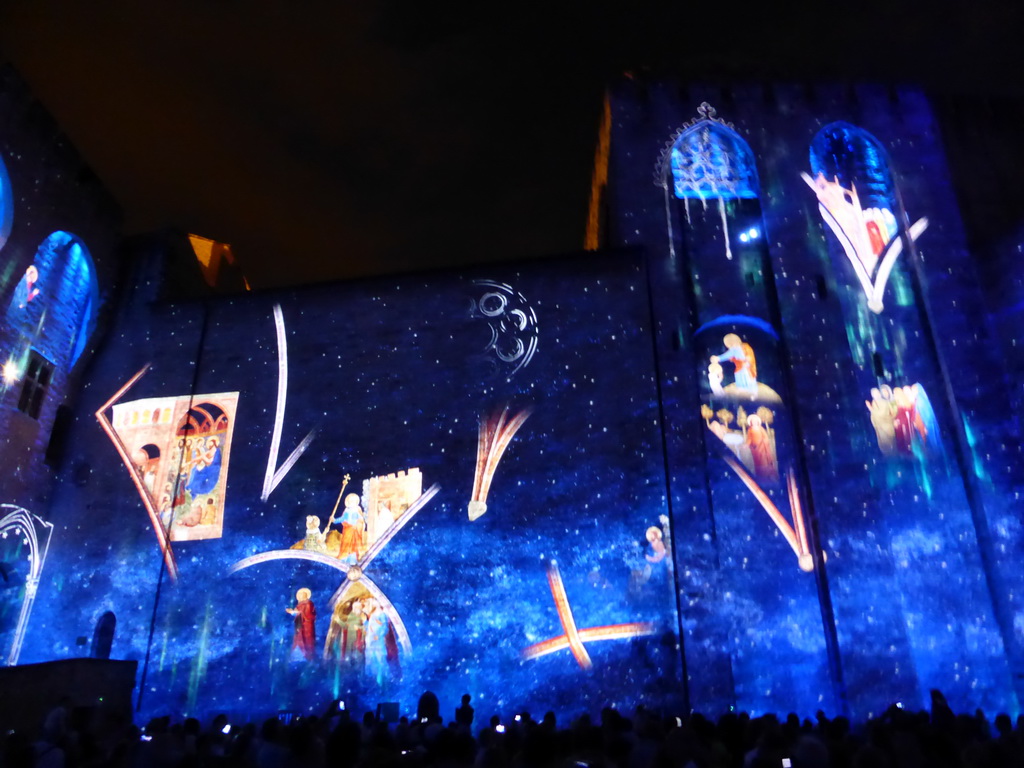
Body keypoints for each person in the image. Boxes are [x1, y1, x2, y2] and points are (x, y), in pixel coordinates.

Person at [286, 587, 317, 662]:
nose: (301, 596)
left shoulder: (308, 604)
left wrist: (294, 612)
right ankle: (297, 657)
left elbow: (307, 614)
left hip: (306, 626)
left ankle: (307, 656)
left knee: (306, 640)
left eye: (303, 595)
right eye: (300, 595)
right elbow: (298, 615)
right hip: (300, 626)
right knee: (298, 639)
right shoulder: (299, 605)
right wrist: (293, 612)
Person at [745, 414, 778, 482]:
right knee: (758, 462)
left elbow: (765, 437)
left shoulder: (761, 428)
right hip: (755, 450)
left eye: (755, 421)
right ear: (751, 422)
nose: (754, 422)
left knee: (764, 462)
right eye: (752, 421)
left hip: (762, 448)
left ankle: (767, 475)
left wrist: (762, 442)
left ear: (757, 421)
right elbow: (749, 439)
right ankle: (761, 477)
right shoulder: (750, 430)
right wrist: (747, 445)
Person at [338, 493, 366, 564]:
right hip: (347, 530)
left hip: (355, 531)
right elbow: (342, 519)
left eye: (353, 501)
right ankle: (344, 558)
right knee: (345, 544)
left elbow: (361, 520)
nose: (352, 503)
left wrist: (357, 524)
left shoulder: (357, 509)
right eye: (350, 501)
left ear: (356, 502)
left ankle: (352, 559)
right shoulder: (346, 510)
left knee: (354, 545)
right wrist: (334, 520)